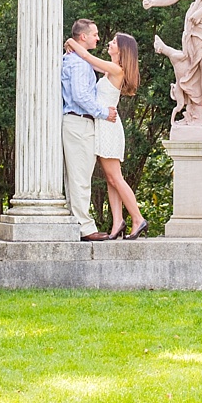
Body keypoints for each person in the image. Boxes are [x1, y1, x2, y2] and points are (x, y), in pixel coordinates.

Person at [66, 31, 148, 239]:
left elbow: (87, 57)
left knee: (115, 177)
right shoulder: (109, 70)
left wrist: (71, 42)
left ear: (122, 50)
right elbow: (87, 62)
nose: (109, 43)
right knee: (111, 179)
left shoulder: (115, 69)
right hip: (103, 125)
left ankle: (137, 218)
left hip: (109, 127)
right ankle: (118, 222)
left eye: (114, 42)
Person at [62, 18, 115, 240]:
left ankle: (77, 224)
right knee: (80, 177)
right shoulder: (79, 63)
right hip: (80, 121)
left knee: (75, 176)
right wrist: (104, 112)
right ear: (83, 37)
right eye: (94, 34)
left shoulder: (74, 59)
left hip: (75, 122)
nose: (98, 38)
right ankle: (85, 228)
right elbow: (81, 96)